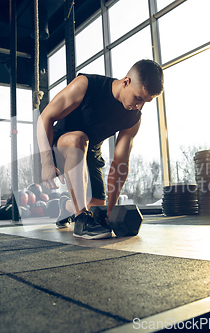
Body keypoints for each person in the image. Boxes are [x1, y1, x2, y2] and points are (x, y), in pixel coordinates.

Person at [37, 59, 164, 239]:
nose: (139, 106)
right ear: (126, 82)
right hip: (60, 144)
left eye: (145, 102)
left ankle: (66, 207)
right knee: (78, 138)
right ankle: (80, 219)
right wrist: (46, 162)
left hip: (91, 152)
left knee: (97, 207)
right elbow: (45, 118)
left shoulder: (133, 118)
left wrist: (110, 211)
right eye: (138, 98)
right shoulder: (87, 85)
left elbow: (121, 163)